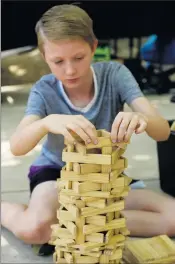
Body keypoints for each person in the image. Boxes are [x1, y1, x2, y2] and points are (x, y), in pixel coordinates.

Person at [1, 4, 175, 256]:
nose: (70, 70)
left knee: (172, 218)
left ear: (94, 47)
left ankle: (85, 222)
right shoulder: (44, 88)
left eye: (79, 58)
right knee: (34, 229)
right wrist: (45, 123)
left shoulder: (115, 74)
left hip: (105, 176)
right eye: (58, 61)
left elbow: (161, 133)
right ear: (44, 56)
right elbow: (17, 146)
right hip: (56, 175)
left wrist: (143, 118)